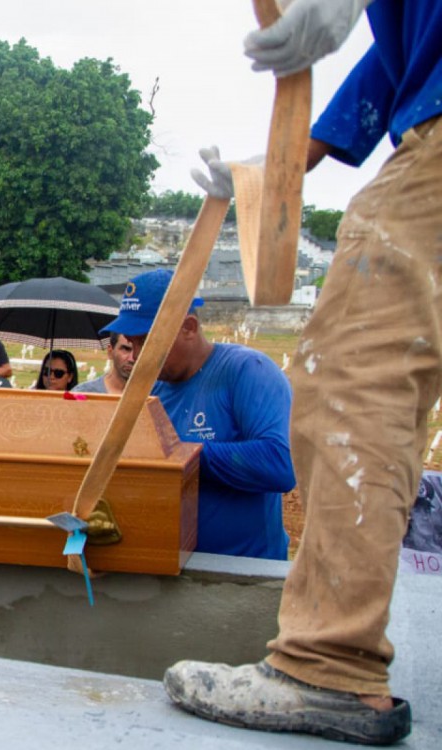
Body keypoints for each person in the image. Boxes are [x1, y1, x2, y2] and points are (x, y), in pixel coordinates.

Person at [164, 1, 436, 744]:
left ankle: (330, 665)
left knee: (352, 376)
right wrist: (273, 169)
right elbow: (405, 60)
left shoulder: (241, 373)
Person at [105, 269, 295, 560]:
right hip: (173, 570)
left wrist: (181, 455)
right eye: (131, 343)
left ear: (189, 327)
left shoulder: (247, 371)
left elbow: (279, 464)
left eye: (146, 341)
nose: (136, 355)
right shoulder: (151, 389)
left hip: (242, 574)